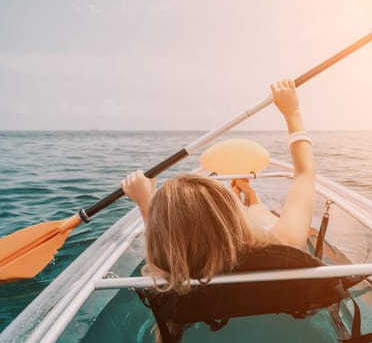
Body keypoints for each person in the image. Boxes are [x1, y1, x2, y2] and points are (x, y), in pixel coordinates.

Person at [121, 79, 315, 295]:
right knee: (263, 216)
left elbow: (164, 242)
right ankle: (253, 204)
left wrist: (145, 202)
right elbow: (304, 174)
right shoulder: (286, 246)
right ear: (234, 220)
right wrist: (293, 113)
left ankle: (252, 202)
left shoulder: (169, 272)